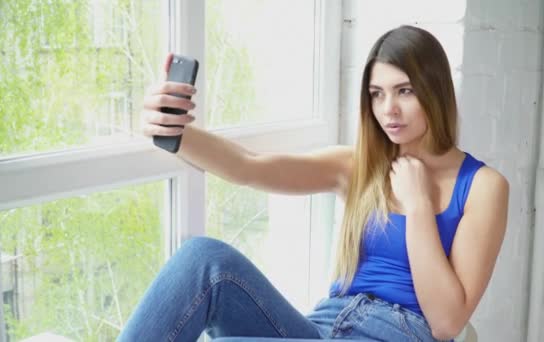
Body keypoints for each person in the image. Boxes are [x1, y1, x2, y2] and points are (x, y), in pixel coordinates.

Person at [117, 25, 509, 342]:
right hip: (321, 328)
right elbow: (250, 166)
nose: (388, 109)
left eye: (404, 91)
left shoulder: (483, 187)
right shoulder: (360, 165)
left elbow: (445, 324)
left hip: (396, 333)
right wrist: (173, 130)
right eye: (377, 94)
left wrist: (419, 205)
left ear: (435, 89)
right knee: (203, 260)